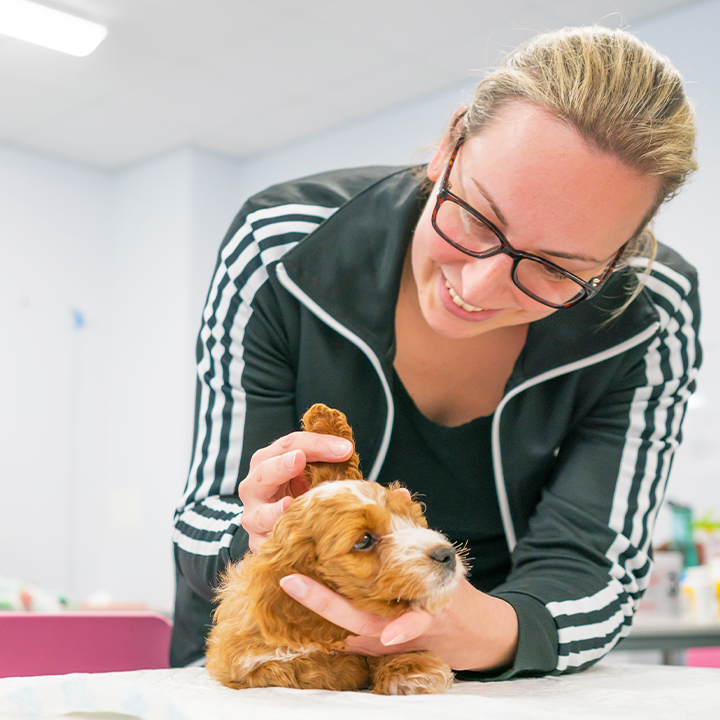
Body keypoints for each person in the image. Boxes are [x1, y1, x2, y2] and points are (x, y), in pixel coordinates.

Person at [171, 26, 701, 677]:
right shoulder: (280, 245)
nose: (477, 289)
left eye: (555, 269)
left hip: (475, 683)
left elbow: (597, 568)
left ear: (617, 258)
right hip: (271, 667)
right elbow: (203, 520)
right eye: (475, 215)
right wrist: (254, 534)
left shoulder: (652, 315)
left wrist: (492, 634)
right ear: (450, 145)